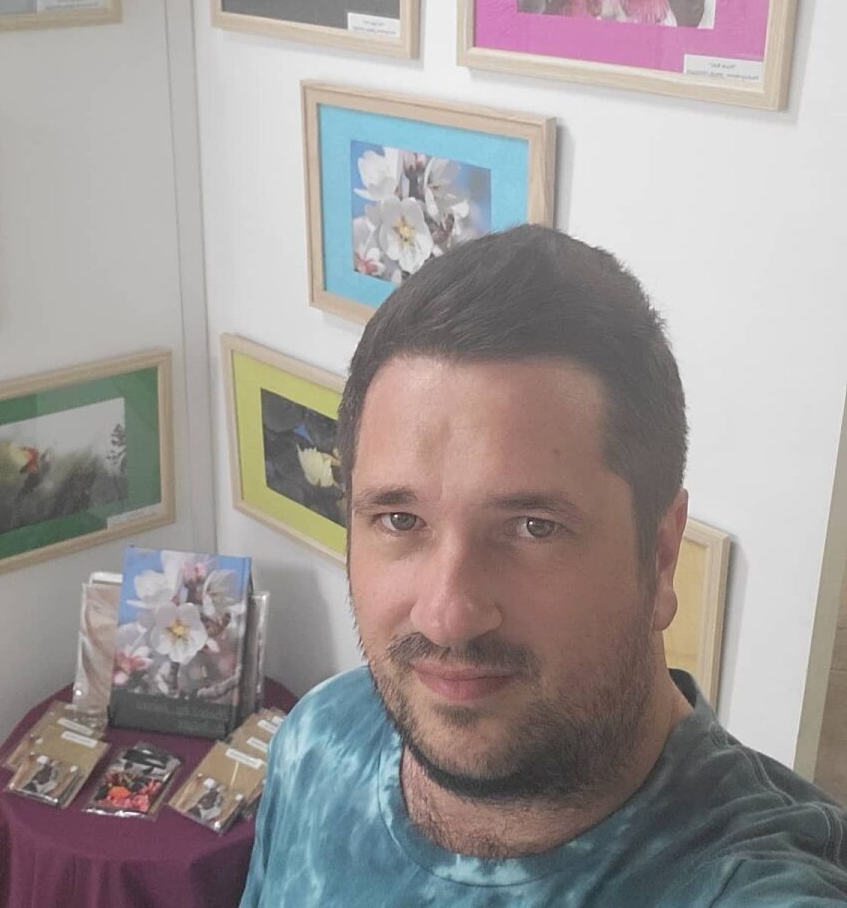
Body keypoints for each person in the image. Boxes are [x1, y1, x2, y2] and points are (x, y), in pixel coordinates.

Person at [240, 226, 847, 906]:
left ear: (660, 555)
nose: (447, 616)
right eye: (400, 520)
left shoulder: (754, 885)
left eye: (535, 527)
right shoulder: (318, 739)